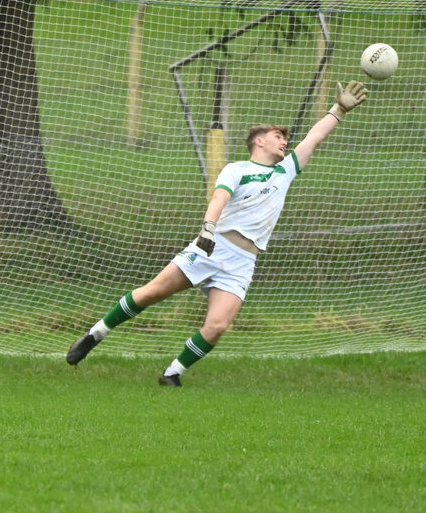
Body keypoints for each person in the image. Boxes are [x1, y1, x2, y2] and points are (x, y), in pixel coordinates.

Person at [65, 80, 369, 386]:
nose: (284, 142)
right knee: (151, 293)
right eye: (278, 136)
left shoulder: (285, 170)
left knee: (218, 325)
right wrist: (207, 229)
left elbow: (314, 138)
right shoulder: (236, 169)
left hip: (243, 262)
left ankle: (172, 374)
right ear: (258, 142)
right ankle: (96, 334)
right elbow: (219, 199)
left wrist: (339, 109)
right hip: (214, 245)